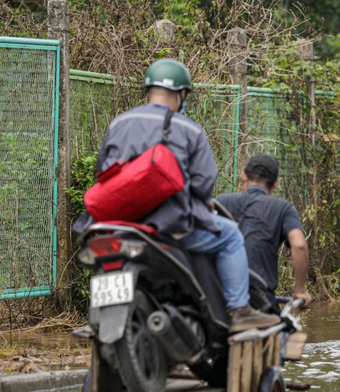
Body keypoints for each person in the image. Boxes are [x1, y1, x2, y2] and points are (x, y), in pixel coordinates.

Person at [77, 59, 280, 333]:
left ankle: (98, 321)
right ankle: (238, 311)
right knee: (231, 235)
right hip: (168, 226)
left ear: (148, 90)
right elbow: (203, 183)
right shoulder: (189, 129)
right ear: (180, 94)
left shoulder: (119, 123)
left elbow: (102, 170)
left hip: (115, 224)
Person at [217, 153, 312, 311]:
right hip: (261, 299)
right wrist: (299, 291)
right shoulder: (283, 208)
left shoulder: (221, 202)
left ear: (244, 176)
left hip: (219, 298)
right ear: (276, 184)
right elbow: (299, 244)